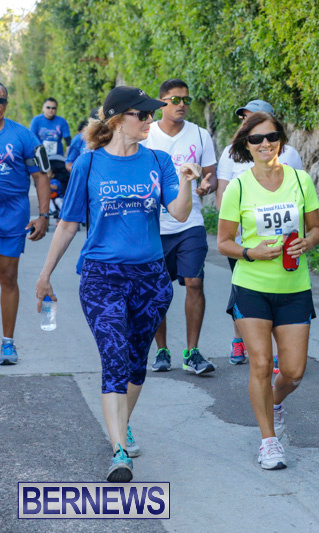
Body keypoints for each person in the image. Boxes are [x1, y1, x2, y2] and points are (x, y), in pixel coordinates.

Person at [35, 86, 195, 482]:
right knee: (114, 357)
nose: (150, 120)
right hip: (101, 277)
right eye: (143, 114)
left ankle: (122, 425)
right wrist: (45, 274)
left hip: (151, 278)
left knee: (136, 362)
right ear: (119, 119)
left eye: (150, 114)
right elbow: (68, 224)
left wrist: (187, 181)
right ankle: (119, 451)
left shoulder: (158, 160)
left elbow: (178, 212)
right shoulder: (89, 164)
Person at [217, 111, 319, 470]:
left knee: (293, 372)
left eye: (272, 136)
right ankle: (268, 441)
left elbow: (316, 229)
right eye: (256, 139)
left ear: (281, 140)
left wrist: (308, 242)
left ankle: (274, 402)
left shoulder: (300, 180)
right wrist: (251, 253)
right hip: (251, 286)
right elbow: (223, 242)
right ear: (246, 145)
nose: (265, 144)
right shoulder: (238, 187)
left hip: (294, 286)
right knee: (261, 363)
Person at [216, 99, 303, 366]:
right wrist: (233, 225)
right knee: (242, 290)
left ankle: (278, 351)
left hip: (282, 242)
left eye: (254, 117)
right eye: (244, 118)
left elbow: (298, 195)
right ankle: (239, 340)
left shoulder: (289, 154)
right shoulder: (230, 153)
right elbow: (222, 193)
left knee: (279, 292)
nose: (248, 121)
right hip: (242, 240)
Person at [141, 78, 217, 375]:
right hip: (154, 225)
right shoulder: (146, 135)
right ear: (161, 103)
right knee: (158, 289)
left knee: (195, 283)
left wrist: (207, 185)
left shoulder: (199, 134)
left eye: (186, 99)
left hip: (190, 223)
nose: (182, 104)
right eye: (175, 99)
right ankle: (161, 351)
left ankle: (192, 352)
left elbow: (210, 175)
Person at [0, 83, 51, 364]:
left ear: (6, 103)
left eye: (1, 100)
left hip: (12, 213)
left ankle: (8, 344)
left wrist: (43, 215)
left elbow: (42, 175)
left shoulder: (22, 135)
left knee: (8, 276)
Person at [30, 98, 71, 191]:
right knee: (40, 183)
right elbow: (31, 139)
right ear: (43, 108)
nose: (51, 110)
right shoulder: (36, 120)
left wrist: (69, 158)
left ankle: (62, 198)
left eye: (53, 108)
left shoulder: (62, 121)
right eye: (48, 107)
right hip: (41, 157)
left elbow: (68, 141)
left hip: (57, 157)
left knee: (65, 180)